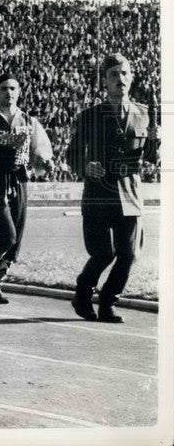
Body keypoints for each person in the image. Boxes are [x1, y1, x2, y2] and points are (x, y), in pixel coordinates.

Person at [65, 53, 159, 323]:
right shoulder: (90, 116)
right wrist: (86, 167)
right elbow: (71, 155)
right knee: (103, 253)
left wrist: (158, 141)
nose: (121, 79)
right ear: (104, 82)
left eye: (125, 73)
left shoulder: (144, 113)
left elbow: (152, 158)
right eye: (114, 75)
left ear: (132, 77)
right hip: (98, 193)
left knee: (129, 254)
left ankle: (108, 302)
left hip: (129, 193)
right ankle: (82, 294)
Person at [0, 73, 54, 304]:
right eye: (3, 89)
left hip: (19, 180)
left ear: (19, 92)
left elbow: (40, 153)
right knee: (6, 235)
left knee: (16, 240)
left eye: (13, 88)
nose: (9, 93)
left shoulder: (29, 121)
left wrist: (45, 163)